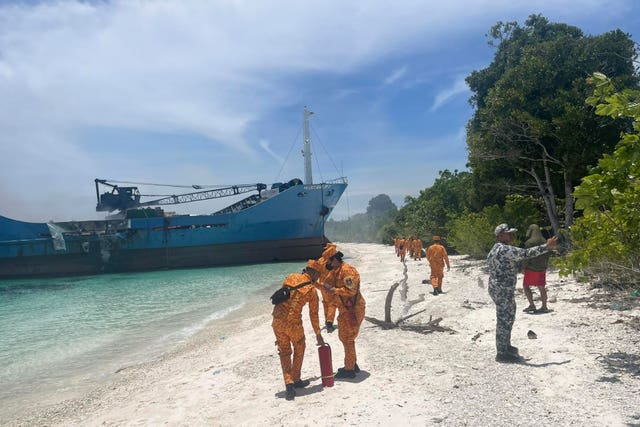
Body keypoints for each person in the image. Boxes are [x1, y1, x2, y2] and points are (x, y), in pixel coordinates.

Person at [487, 223, 558, 363]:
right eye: (509, 233)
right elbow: (525, 254)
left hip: (498, 288)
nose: (512, 235)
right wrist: (546, 247)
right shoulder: (504, 249)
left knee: (507, 317)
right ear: (500, 236)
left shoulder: (495, 249)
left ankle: (505, 346)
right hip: (502, 289)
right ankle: (502, 353)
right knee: (504, 320)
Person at [272, 259, 325, 400]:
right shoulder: (312, 291)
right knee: (299, 347)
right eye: (318, 275)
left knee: (284, 352)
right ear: (313, 273)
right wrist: (318, 334)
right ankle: (296, 379)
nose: (318, 278)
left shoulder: (290, 277)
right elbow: (313, 315)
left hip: (277, 321)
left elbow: (284, 296)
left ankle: (288, 383)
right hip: (293, 325)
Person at [323, 251, 365, 379]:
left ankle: (349, 369)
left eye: (329, 261)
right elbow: (327, 284)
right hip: (344, 310)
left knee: (348, 339)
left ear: (335, 260)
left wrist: (334, 290)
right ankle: (352, 363)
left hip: (353, 310)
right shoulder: (336, 271)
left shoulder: (347, 271)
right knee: (344, 337)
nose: (327, 264)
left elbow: (351, 290)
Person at [522, 224, 552, 314]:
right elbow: (548, 253)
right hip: (542, 267)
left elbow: (526, 256)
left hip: (531, 268)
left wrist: (523, 267)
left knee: (526, 286)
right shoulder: (544, 241)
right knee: (542, 287)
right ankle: (544, 306)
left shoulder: (529, 243)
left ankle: (532, 305)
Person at [316, 243, 338, 332]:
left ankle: (327, 320)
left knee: (325, 303)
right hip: (331, 286)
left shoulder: (320, 260)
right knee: (332, 303)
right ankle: (329, 322)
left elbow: (315, 272)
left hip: (322, 285)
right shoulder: (335, 261)